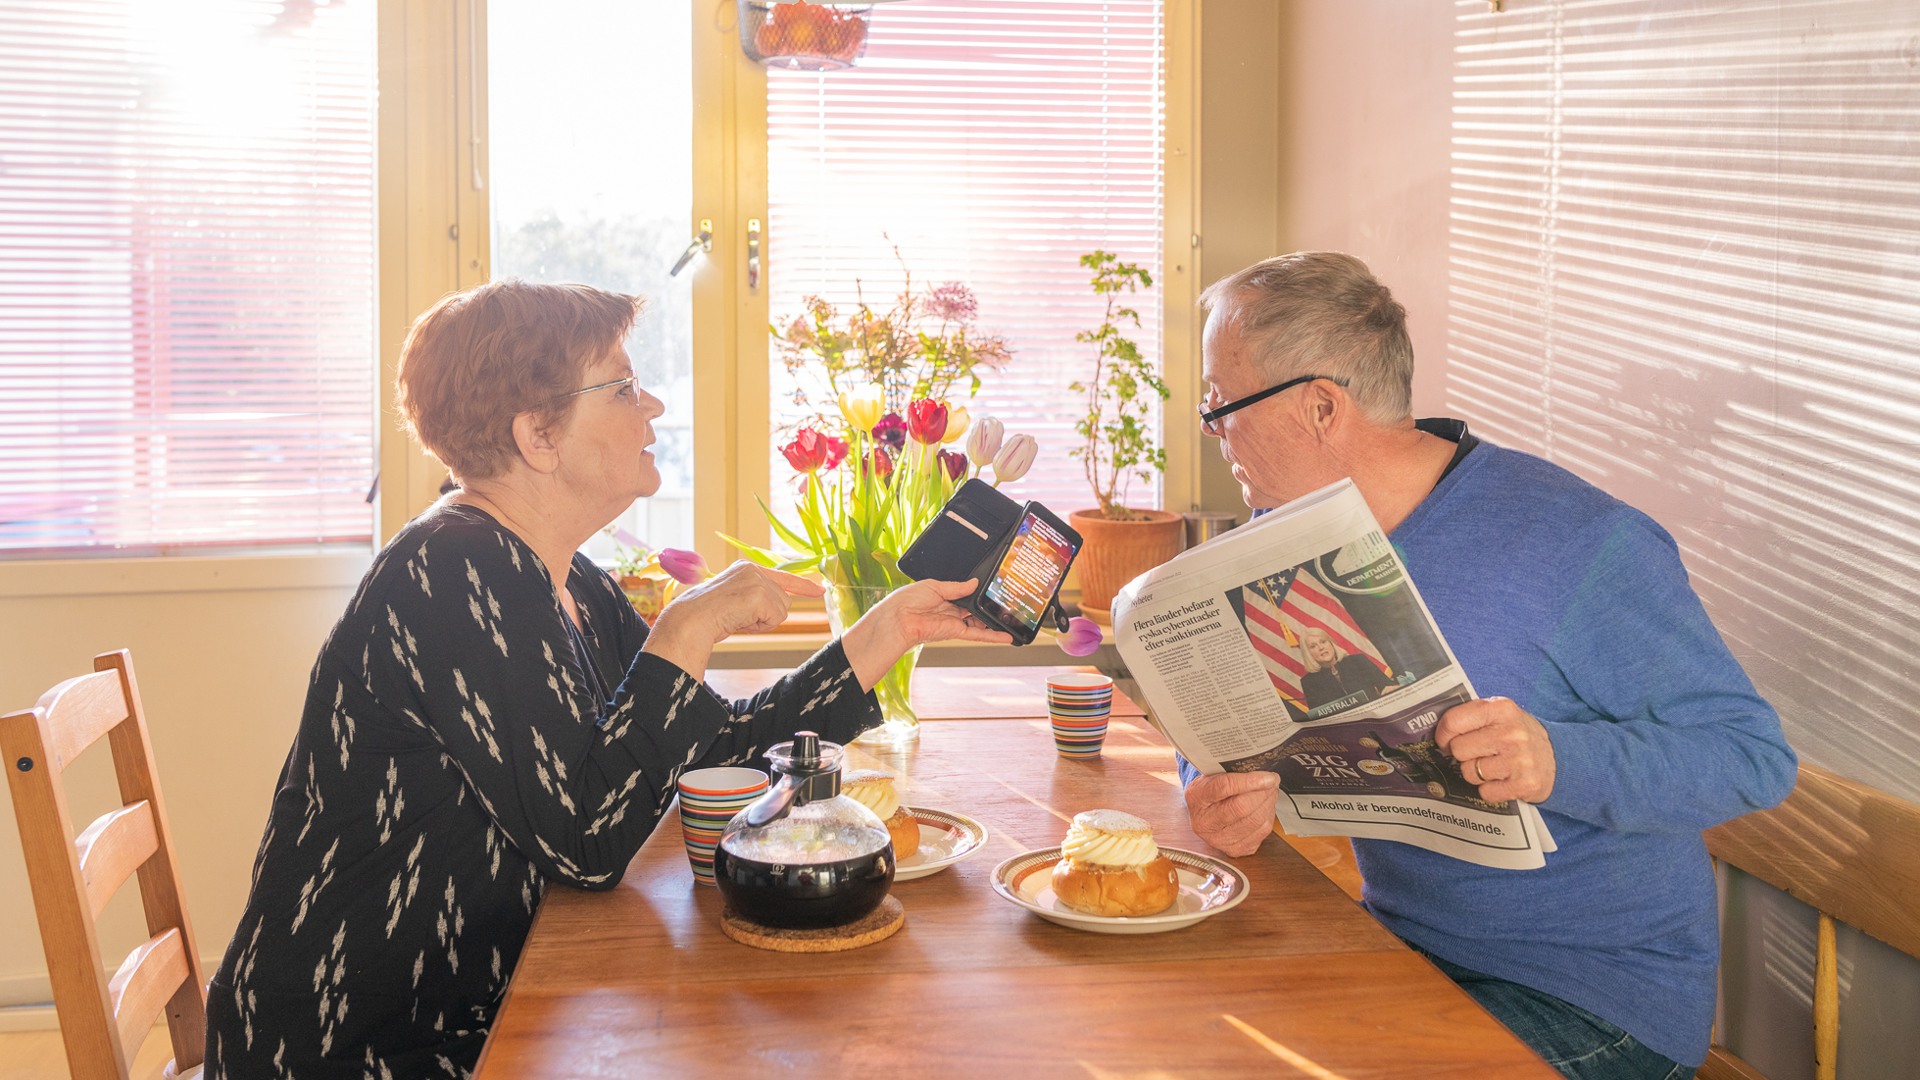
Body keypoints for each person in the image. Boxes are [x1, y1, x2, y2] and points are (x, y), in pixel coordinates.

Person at [202, 280, 1011, 1078]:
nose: (653, 406)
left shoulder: (564, 578)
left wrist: (884, 634)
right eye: (622, 386)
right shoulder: (447, 572)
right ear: (538, 436)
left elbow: (711, 758)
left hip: (475, 1016)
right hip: (362, 1051)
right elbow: (588, 843)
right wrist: (686, 627)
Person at [1178, 252, 1795, 1080]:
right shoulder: (1271, 543)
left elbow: (1751, 758)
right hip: (1404, 952)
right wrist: (1211, 791)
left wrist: (1555, 759)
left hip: (1590, 998)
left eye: (1221, 407)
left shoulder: (1578, 542)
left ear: (1320, 407)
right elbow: (1224, 724)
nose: (1213, 431)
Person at [1297, 626, 1395, 709]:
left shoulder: (1358, 661)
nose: (1321, 647)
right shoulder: (1309, 682)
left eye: (1323, 642)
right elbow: (1320, 716)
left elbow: (1387, 685)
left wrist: (1389, 689)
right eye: (1313, 646)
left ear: (1331, 643)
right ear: (1308, 653)